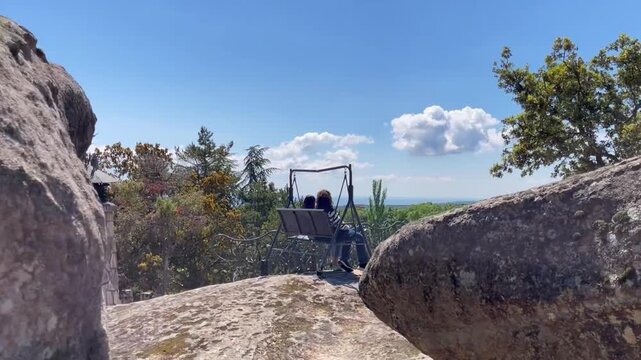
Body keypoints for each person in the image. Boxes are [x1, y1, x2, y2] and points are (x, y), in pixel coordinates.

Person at [315, 189, 369, 272]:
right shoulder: (330, 211)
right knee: (359, 236)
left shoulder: (317, 211)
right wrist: (348, 227)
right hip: (336, 235)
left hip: (324, 235)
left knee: (352, 233)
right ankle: (363, 263)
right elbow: (340, 225)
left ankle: (344, 260)